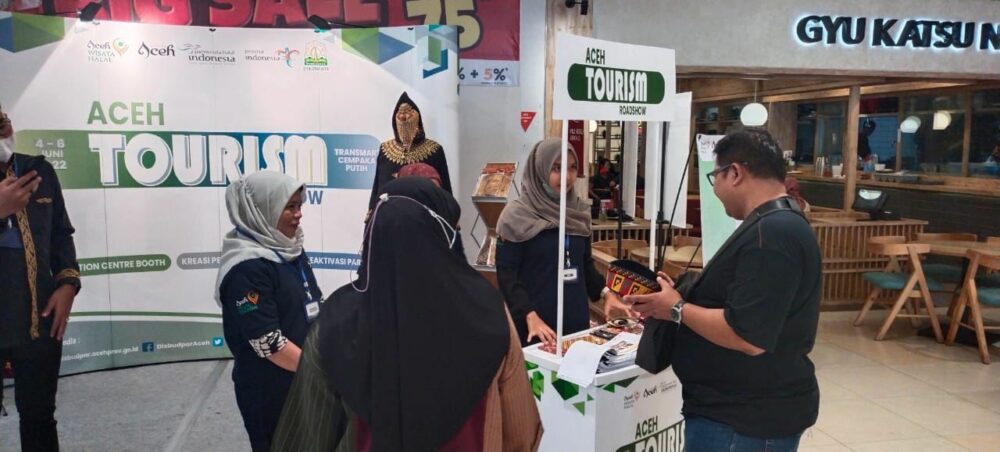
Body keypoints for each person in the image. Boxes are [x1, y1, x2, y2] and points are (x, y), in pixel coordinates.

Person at [271, 177, 543, 452]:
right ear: (442, 237)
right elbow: (520, 430)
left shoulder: (336, 323)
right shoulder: (488, 312)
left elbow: (308, 433)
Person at [627, 128, 822, 452]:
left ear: (734, 173)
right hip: (736, 411)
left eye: (713, 177)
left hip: (743, 422)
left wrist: (676, 309)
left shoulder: (772, 234)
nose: (715, 189)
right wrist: (682, 294)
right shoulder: (774, 225)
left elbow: (748, 336)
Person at [215, 171, 323, 452]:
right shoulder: (246, 268)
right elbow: (268, 343)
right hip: (270, 390)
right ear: (263, 210)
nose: (299, 214)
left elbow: (312, 302)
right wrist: (322, 371)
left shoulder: (290, 247)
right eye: (290, 207)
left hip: (302, 378)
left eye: (300, 205)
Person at [0, 103, 81, 451]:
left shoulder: (37, 170)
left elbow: (61, 234)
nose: (3, 134)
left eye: (3, 123)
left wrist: (68, 284)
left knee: (39, 417)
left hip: (37, 321)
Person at [495, 139, 631, 346]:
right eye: (557, 168)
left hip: (575, 321)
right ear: (540, 169)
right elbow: (507, 275)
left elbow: (584, 264)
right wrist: (528, 314)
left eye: (572, 168)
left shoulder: (578, 212)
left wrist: (606, 293)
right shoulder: (517, 215)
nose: (566, 177)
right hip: (535, 326)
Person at [368, 92, 452, 212]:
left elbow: (444, 190)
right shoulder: (385, 150)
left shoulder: (434, 150)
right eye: (401, 115)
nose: (404, 118)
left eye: (408, 115)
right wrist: (372, 212)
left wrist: (449, 213)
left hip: (424, 214)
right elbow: (378, 188)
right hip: (390, 214)